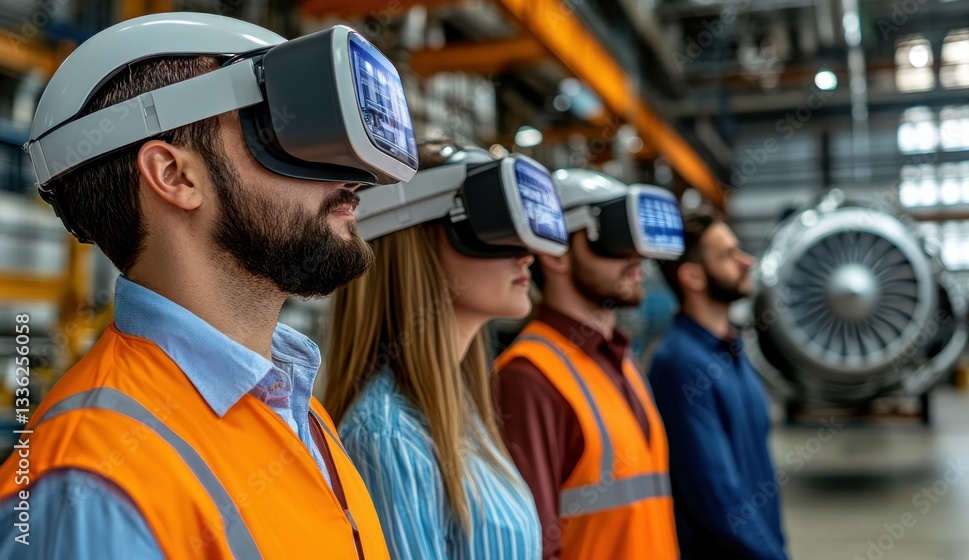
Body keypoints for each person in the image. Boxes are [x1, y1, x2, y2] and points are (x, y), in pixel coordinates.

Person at [0, 13, 417, 559]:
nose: (352, 178)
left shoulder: (293, 407)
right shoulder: (91, 483)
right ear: (175, 176)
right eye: (285, 130)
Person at [323, 142, 556, 560]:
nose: (526, 256)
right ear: (418, 241)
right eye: (494, 227)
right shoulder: (389, 435)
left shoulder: (462, 406)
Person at [495, 169, 680, 560]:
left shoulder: (623, 361)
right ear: (555, 254)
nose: (636, 258)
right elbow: (537, 548)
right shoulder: (527, 377)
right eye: (615, 240)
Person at [649, 207, 789, 559]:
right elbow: (717, 494)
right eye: (728, 255)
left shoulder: (732, 350)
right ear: (693, 277)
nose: (747, 262)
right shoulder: (680, 365)